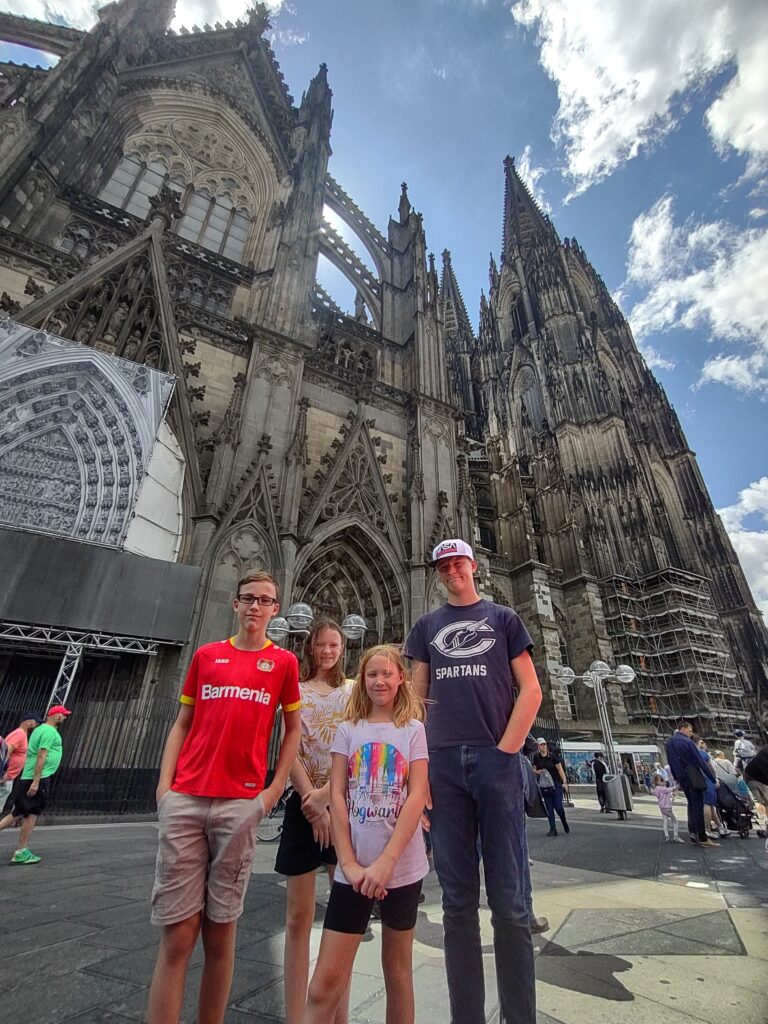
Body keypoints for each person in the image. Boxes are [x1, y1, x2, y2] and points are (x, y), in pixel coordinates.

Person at [147, 571, 302, 1024]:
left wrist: (271, 793)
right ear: (235, 605)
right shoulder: (206, 655)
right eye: (248, 599)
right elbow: (182, 722)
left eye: (265, 601)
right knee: (176, 937)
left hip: (240, 804)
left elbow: (293, 730)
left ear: (275, 609)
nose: (256, 607)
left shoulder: (284, 664)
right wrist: (165, 789)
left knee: (220, 935)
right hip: (186, 799)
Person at [404, 538, 542, 1024]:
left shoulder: (503, 619)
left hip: (493, 760)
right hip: (443, 765)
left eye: (459, 563)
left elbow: (531, 689)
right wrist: (417, 774)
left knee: (510, 903)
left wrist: (505, 752)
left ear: (473, 566)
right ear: (439, 573)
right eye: (444, 566)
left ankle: (519, 1017)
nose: (452, 571)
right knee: (458, 903)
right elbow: (415, 701)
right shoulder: (427, 627)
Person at [300, 645, 429, 1024]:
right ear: (362, 681)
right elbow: (336, 795)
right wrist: (349, 863)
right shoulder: (348, 730)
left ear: (401, 678)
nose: (380, 680)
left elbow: (418, 794)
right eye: (372, 674)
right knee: (324, 984)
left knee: (398, 974)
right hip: (352, 872)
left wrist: (387, 862)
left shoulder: (413, 730)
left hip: (401, 869)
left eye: (388, 673)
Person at [275, 619, 353, 1024]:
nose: (326, 651)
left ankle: (337, 1017)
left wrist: (326, 800)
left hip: (339, 807)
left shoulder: (354, 691)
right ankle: (295, 1017)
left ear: (342, 647)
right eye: (320, 644)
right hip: (303, 806)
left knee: (342, 924)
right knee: (298, 919)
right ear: (310, 648)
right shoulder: (296, 691)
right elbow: (290, 747)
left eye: (333, 644)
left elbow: (358, 748)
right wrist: (310, 801)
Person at [0, 705, 70, 863]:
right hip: (38, 776)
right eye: (63, 715)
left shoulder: (39, 730)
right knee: (32, 813)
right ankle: (21, 851)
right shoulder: (49, 732)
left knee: (18, 812)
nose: (65, 718)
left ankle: (22, 850)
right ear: (56, 715)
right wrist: (37, 781)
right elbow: (41, 754)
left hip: (30, 775)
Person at [666, 722, 719, 848]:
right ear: (683, 729)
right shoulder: (687, 742)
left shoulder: (669, 743)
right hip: (693, 777)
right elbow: (700, 761)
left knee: (691, 804)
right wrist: (712, 778)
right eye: (690, 731)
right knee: (698, 806)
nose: (691, 734)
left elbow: (671, 763)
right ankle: (702, 837)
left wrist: (677, 778)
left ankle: (693, 833)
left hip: (682, 778)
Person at [0, 711, 42, 812]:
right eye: (36, 723)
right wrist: (4, 772)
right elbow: (7, 750)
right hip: (5, 776)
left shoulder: (20, 734)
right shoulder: (20, 734)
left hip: (7, 776)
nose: (37, 727)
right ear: (29, 722)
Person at [532, 737, 570, 836]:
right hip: (545, 785)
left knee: (558, 806)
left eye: (544, 744)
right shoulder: (536, 757)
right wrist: (538, 771)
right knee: (549, 807)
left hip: (556, 784)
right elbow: (534, 769)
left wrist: (564, 782)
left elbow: (560, 769)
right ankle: (553, 828)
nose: (543, 746)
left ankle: (563, 820)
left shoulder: (553, 756)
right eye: (541, 745)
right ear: (538, 746)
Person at [697, 739, 727, 838]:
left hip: (700, 780)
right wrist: (715, 780)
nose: (704, 744)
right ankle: (707, 829)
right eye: (702, 742)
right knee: (708, 805)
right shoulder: (703, 754)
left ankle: (720, 827)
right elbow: (711, 768)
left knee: (711, 806)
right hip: (708, 780)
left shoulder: (693, 754)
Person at [652, 773, 683, 842]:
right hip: (667, 807)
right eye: (662, 780)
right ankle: (676, 836)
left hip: (661, 807)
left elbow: (667, 793)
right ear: (657, 782)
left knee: (665, 821)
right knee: (675, 821)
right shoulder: (662, 789)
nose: (664, 782)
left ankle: (667, 835)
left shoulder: (656, 789)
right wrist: (678, 785)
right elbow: (671, 789)